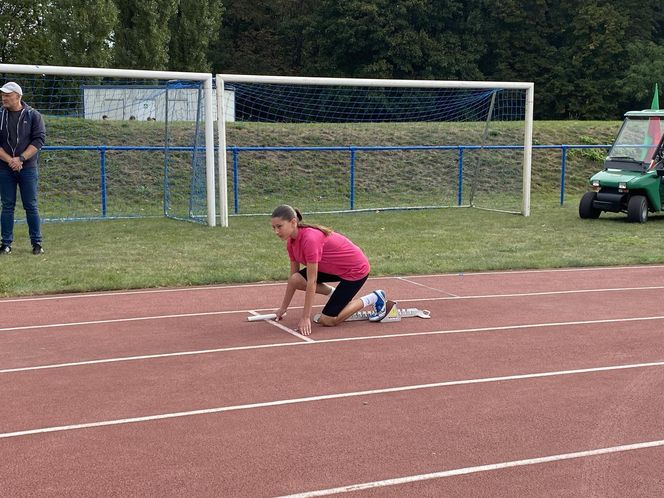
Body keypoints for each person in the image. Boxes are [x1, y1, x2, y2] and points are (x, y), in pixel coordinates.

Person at [271, 204, 393, 335]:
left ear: (293, 222)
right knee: (296, 280)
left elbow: (312, 281)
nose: (276, 232)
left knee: (328, 320)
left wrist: (305, 317)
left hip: (355, 270)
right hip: (334, 269)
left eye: (279, 226)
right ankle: (336, 295)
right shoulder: (291, 243)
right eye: (273, 227)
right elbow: (293, 278)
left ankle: (375, 297)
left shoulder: (309, 240)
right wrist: (283, 308)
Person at [0, 82, 46, 255]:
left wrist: (21, 159)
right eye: (2, 95)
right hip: (4, 168)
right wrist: (10, 160)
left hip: (27, 168)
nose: (4, 98)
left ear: (18, 97)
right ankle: (5, 244)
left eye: (7, 95)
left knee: (31, 205)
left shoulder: (33, 115)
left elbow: (39, 140)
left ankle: (37, 243)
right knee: (7, 206)